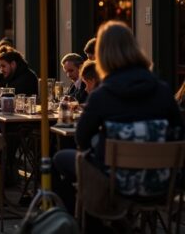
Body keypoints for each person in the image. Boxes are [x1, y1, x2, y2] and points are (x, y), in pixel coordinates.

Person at [53, 21, 183, 214]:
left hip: (116, 185)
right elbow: (179, 132)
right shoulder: (162, 92)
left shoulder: (102, 95)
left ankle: (79, 218)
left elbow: (81, 139)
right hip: (161, 185)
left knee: (58, 159)